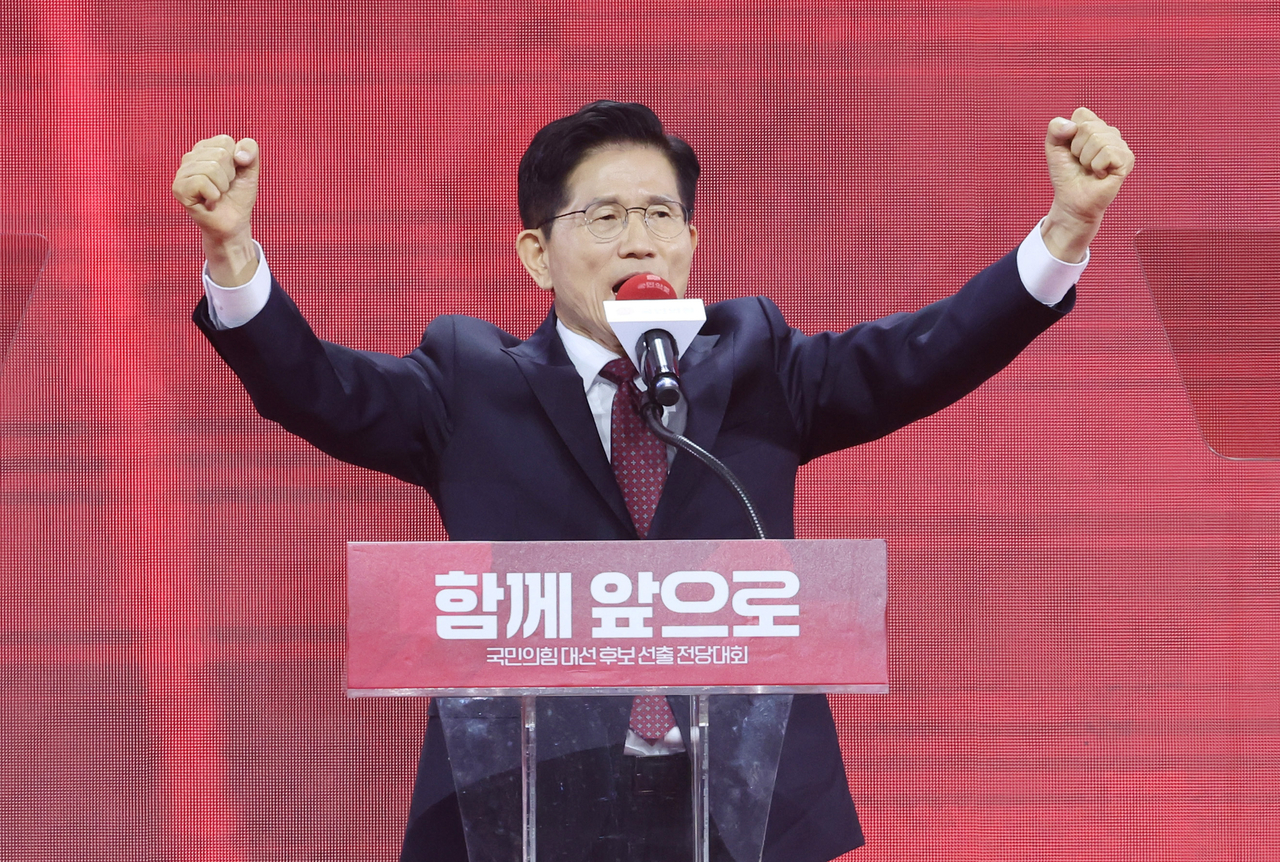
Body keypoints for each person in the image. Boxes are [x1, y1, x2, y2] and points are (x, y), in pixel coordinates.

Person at [173, 101, 1134, 861]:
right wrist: (232, 256)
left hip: (740, 804)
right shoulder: (468, 383)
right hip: (527, 796)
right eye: (607, 216)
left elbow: (925, 354)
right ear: (537, 255)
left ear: (691, 245)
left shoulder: (761, 364)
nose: (641, 240)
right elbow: (318, 389)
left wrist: (1064, 228)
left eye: (662, 215)